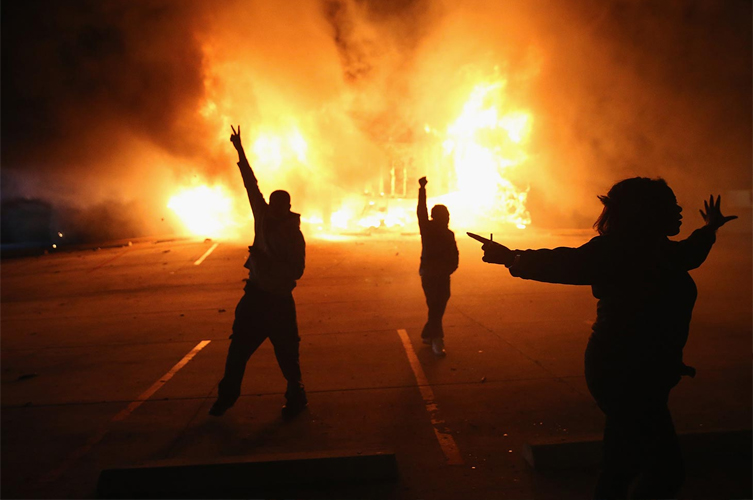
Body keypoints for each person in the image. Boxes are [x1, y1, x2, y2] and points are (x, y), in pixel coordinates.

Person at [480, 178, 737, 499]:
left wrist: (710, 228)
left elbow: (690, 254)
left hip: (639, 373)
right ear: (646, 211)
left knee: (622, 466)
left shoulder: (657, 249)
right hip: (624, 373)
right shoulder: (618, 250)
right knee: (665, 471)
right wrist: (514, 258)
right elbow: (566, 263)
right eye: (670, 204)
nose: (680, 209)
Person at [210, 125, 307, 419]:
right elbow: (250, 184)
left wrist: (268, 265)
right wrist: (239, 151)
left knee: (288, 355)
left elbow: (297, 271)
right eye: (272, 204)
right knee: (237, 350)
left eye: (280, 206)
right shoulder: (263, 216)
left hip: (278, 300)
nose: (273, 209)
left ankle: (296, 395)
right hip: (255, 298)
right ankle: (226, 398)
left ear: (288, 208)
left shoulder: (294, 236)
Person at [417, 176, 459, 356]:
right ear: (438, 217)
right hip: (429, 274)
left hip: (442, 275)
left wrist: (449, 269)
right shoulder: (427, 228)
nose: (448, 218)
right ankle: (436, 339)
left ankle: (428, 333)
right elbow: (421, 211)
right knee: (435, 305)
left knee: (438, 304)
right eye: (446, 215)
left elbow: (454, 254)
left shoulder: (449, 234)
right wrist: (422, 190)